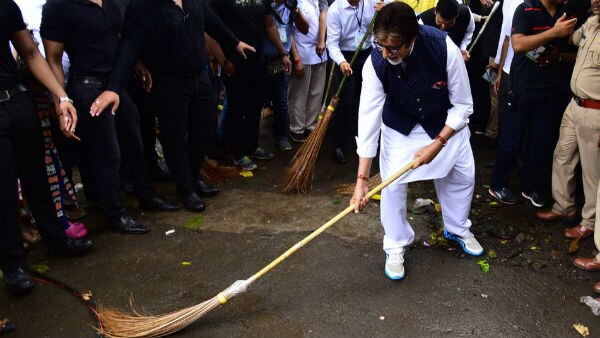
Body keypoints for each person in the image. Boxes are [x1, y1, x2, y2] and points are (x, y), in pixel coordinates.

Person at [350, 2, 484, 281]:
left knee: (462, 175)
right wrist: (362, 180)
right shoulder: (375, 63)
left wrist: (438, 143)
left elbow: (463, 105)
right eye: (380, 46)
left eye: (394, 48)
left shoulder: (443, 48)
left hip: (443, 123)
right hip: (401, 127)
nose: (386, 54)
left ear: (413, 39)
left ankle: (457, 227)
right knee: (392, 185)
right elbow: (368, 120)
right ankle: (396, 243)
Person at [91, 0, 254, 209]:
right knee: (174, 136)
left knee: (204, 129)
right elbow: (130, 45)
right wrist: (114, 87)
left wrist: (234, 42)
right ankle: (186, 189)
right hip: (169, 82)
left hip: (199, 75)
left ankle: (193, 177)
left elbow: (212, 23)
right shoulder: (142, 7)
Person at [1, 0, 92, 295]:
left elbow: (29, 52)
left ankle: (56, 240)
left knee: (38, 177)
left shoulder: (6, 6)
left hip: (17, 101)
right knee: (3, 189)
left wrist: (61, 96)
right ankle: (13, 266)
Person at [488, 0, 588, 207]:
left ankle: (531, 187)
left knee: (541, 141)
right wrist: (553, 32)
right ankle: (497, 184)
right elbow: (518, 44)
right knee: (512, 140)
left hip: (550, 88)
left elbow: (580, 51)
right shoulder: (525, 9)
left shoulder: (567, 11)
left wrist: (559, 57)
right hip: (521, 87)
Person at [540, 0, 600, 255]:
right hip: (574, 104)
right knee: (562, 156)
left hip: (595, 111)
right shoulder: (592, 23)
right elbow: (573, 42)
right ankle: (563, 206)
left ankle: (589, 223)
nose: (595, 1)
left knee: (591, 173)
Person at [209, 0, 292, 171]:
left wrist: (283, 53)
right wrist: (223, 61)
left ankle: (251, 146)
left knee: (255, 106)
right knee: (237, 108)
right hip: (234, 62)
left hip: (258, 61)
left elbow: (269, 26)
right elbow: (210, 30)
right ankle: (238, 153)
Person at [326, 0, 388, 164]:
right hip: (345, 56)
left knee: (366, 99)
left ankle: (362, 138)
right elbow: (331, 43)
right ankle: (339, 144)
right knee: (345, 102)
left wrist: (384, 11)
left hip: (366, 52)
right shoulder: (335, 9)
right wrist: (341, 62)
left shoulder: (371, 2)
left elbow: (393, 10)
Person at [262, 0, 309, 152]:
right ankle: (251, 143)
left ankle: (281, 137)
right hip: (264, 59)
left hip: (283, 60)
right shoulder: (266, 5)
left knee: (281, 102)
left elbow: (304, 29)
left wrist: (296, 11)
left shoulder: (291, 6)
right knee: (256, 102)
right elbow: (270, 27)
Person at [288, 0, 329, 143]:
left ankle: (310, 126)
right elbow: (289, 33)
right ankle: (297, 128)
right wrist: (296, 58)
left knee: (316, 94)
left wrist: (321, 41)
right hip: (302, 53)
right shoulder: (294, 3)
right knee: (299, 95)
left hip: (319, 54)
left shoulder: (319, 2)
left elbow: (323, 17)